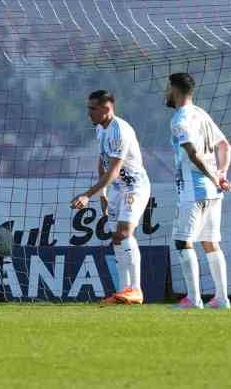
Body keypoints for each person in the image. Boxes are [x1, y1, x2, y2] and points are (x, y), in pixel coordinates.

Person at [70, 90, 151, 306]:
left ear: (107, 108)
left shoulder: (120, 131)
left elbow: (114, 170)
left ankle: (136, 289)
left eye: (92, 109)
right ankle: (122, 292)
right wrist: (103, 193)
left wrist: (88, 195)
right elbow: (102, 160)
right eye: (88, 108)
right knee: (116, 237)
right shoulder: (99, 129)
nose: (89, 113)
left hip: (134, 187)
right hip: (115, 189)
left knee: (124, 232)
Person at [164, 73, 231, 310]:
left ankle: (194, 299)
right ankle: (222, 298)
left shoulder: (179, 119)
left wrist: (214, 176)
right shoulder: (201, 114)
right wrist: (222, 175)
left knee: (183, 241)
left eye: (167, 88)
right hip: (213, 192)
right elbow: (225, 145)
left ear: (174, 90)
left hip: (194, 190)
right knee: (210, 242)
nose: (166, 93)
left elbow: (193, 153)